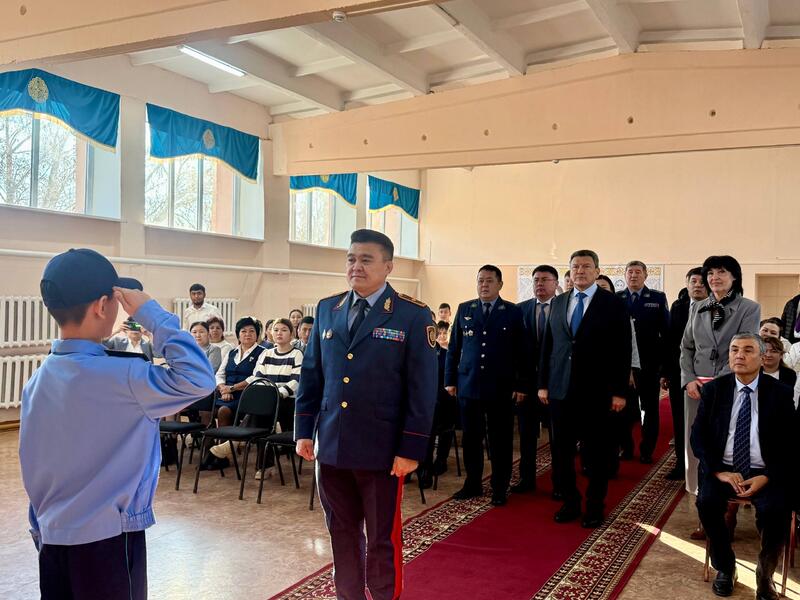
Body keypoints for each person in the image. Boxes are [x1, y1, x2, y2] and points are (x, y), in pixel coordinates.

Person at [19, 248, 215, 599]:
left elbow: (33, 464)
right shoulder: (125, 375)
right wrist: (152, 314)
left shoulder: (38, 379)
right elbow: (199, 378)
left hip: (52, 536)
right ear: (102, 306)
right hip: (107, 541)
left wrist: (41, 528)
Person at [295, 229, 436, 600]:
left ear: (388, 266)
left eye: (366, 260)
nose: (356, 266)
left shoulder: (412, 314)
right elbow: (312, 374)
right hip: (332, 445)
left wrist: (411, 449)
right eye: (351, 259)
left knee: (381, 538)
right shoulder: (328, 308)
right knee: (340, 532)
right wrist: (304, 430)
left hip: (381, 450)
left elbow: (422, 389)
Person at [691, 334, 794, 600]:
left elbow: (790, 442)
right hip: (723, 469)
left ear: (762, 358)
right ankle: (726, 567)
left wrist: (767, 476)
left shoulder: (780, 393)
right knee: (707, 503)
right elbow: (698, 437)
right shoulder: (714, 390)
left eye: (748, 350)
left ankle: (765, 574)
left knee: (777, 510)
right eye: (734, 349)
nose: (739, 355)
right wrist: (719, 472)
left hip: (765, 471)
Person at [538, 249, 631, 528]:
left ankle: (594, 506)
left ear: (597, 271)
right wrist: (543, 383)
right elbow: (548, 346)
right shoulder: (559, 302)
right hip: (560, 390)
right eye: (575, 266)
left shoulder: (612, 303)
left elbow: (622, 349)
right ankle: (570, 501)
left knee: (597, 453)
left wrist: (619, 391)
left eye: (586, 266)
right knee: (562, 452)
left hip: (597, 392)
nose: (580, 271)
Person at [681, 255, 761, 538]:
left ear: (734, 277)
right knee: (697, 446)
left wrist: (719, 383)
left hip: (730, 385)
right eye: (710, 273)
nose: (714, 278)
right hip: (696, 388)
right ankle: (704, 509)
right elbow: (686, 348)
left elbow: (744, 347)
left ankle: (728, 510)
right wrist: (688, 379)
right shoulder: (697, 307)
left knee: (726, 444)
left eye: (722, 272)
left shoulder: (748, 308)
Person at [445, 265, 527, 506]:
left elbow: (522, 352)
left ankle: (500, 487)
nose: (484, 285)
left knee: (500, 439)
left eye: (489, 281)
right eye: (480, 280)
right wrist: (450, 380)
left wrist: (521, 385)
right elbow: (454, 348)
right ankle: (472, 483)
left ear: (500, 284)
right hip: (469, 385)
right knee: (471, 439)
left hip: (500, 387)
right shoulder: (465, 309)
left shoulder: (512, 311)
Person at [617, 261, 669, 464]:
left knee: (650, 409)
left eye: (638, 272)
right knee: (624, 409)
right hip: (624, 364)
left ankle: (647, 450)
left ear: (646, 275)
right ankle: (626, 447)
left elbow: (666, 333)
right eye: (630, 272)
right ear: (625, 275)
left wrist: (664, 368)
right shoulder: (616, 298)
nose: (633, 275)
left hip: (649, 364)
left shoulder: (657, 298)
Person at [514, 264, 558, 494]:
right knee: (527, 436)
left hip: (556, 384)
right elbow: (514, 351)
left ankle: (560, 483)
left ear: (556, 283)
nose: (539, 284)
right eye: (536, 280)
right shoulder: (520, 310)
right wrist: (518, 384)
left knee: (558, 438)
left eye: (545, 280)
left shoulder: (564, 308)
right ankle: (526, 479)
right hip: (527, 385)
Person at [661, 267, 707, 481]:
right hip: (679, 374)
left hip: (708, 375)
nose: (697, 285)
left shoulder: (718, 308)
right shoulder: (678, 307)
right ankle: (682, 464)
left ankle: (706, 466)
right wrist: (666, 372)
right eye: (693, 281)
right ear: (687, 285)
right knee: (681, 422)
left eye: (701, 282)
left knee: (706, 421)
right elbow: (669, 341)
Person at [597, 274, 640, 474]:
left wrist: (629, 371)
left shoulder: (618, 309)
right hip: (592, 377)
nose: (600, 291)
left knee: (617, 420)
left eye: (604, 287)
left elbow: (630, 345)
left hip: (615, 375)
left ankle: (614, 460)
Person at [419, 320, 459, 488]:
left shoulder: (445, 356)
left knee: (431, 414)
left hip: (441, 407)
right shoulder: (415, 355)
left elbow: (448, 389)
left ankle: (427, 467)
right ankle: (412, 465)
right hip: (420, 406)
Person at [213, 317, 264, 427]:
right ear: (238, 335)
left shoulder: (263, 352)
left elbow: (255, 377)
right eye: (243, 331)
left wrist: (232, 388)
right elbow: (220, 374)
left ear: (257, 335)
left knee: (223, 411)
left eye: (251, 331)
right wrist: (223, 389)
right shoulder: (232, 352)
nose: (247, 334)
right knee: (206, 408)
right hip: (225, 394)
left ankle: (226, 438)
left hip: (247, 395)